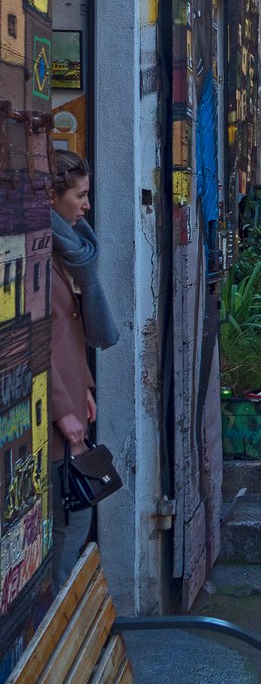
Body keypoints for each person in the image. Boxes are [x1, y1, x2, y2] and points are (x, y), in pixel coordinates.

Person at [49, 152, 119, 592]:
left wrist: (86, 388)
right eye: (80, 195)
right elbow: (33, 341)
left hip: (72, 397)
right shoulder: (38, 251)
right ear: (52, 197)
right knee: (68, 520)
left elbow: (69, 331)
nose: (87, 205)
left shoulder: (67, 247)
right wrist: (62, 409)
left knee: (76, 514)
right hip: (52, 412)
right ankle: (52, 619)